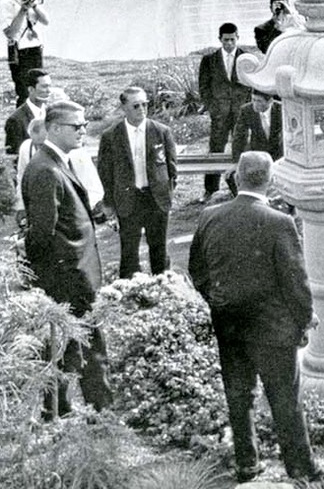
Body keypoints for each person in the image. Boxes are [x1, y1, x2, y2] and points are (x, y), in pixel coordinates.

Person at [188, 151, 324, 484]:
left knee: (239, 396)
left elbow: (197, 270)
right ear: (272, 182)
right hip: (272, 327)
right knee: (284, 399)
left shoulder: (210, 215)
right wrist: (305, 318)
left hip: (228, 322)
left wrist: (217, 299)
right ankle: (301, 468)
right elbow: (296, 280)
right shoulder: (279, 222)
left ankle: (247, 463)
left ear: (237, 178)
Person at [21, 101, 112, 418]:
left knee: (68, 347)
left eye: (85, 125)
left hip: (70, 275)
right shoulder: (46, 169)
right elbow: (42, 234)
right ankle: (100, 412)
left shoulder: (56, 162)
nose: (84, 131)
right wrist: (48, 279)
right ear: (55, 128)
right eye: (78, 126)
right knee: (87, 345)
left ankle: (60, 409)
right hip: (69, 278)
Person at [96, 86, 179, 279]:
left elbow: (172, 169)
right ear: (124, 107)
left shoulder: (161, 131)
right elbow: (105, 172)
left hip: (156, 199)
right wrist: (110, 201)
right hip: (128, 199)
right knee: (129, 251)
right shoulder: (111, 136)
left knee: (159, 248)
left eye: (145, 104)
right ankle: (130, 291)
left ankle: (163, 288)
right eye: (135, 106)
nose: (141, 109)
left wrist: (166, 193)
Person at [198, 22, 252, 201]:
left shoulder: (246, 58)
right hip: (219, 113)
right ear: (219, 39)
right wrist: (212, 107)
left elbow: (251, 85)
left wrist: (247, 107)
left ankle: (241, 188)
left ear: (238, 38)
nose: (229, 43)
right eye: (226, 40)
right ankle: (210, 189)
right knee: (215, 149)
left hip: (240, 112)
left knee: (241, 149)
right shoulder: (209, 60)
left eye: (232, 39)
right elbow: (204, 87)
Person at [2, 0, 50, 105]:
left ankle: (37, 122)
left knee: (38, 89)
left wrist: (34, 6)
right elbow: (10, 33)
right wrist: (23, 10)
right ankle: (21, 124)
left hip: (36, 49)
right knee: (24, 93)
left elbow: (46, 21)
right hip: (20, 51)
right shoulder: (6, 3)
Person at [4, 67, 51, 155]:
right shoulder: (16, 120)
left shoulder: (51, 113)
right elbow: (14, 157)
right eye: (44, 87)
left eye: (49, 86)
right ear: (31, 89)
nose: (49, 91)